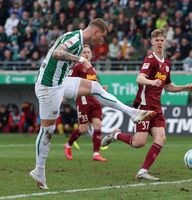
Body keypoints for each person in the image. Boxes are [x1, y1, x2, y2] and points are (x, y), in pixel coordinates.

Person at [30, 18, 156, 190]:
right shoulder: (75, 40)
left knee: (95, 87)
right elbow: (56, 53)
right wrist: (81, 59)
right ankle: (39, 170)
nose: (101, 41)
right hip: (48, 87)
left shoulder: (77, 39)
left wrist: (79, 58)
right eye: (102, 37)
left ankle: (132, 113)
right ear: (95, 32)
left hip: (60, 82)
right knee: (48, 130)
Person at [101, 26, 192, 181]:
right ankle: (115, 135)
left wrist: (184, 87)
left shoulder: (167, 64)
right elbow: (139, 78)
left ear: (165, 42)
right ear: (152, 42)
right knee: (139, 143)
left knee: (161, 138)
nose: (159, 42)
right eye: (156, 40)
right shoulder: (150, 59)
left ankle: (143, 171)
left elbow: (168, 86)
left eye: (161, 40)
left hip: (156, 107)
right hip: (143, 106)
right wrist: (152, 81)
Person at [64, 44, 107, 162]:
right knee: (82, 129)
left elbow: (93, 85)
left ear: (91, 54)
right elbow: (69, 82)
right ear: (80, 55)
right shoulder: (77, 67)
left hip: (93, 99)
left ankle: (96, 154)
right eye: (84, 52)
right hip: (82, 99)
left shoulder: (91, 68)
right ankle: (68, 145)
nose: (87, 54)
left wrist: (101, 88)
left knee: (98, 125)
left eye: (88, 52)